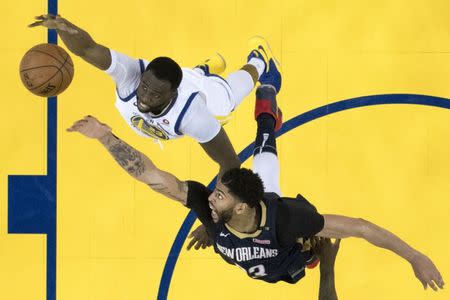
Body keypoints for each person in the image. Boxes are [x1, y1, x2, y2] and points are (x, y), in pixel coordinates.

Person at [67, 85, 444, 293]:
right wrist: (104, 136)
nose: (209, 195)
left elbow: (361, 228)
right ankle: (267, 118)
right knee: (264, 154)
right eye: (215, 191)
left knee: (267, 157)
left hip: (286, 249)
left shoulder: (291, 219)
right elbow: (150, 175)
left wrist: (414, 257)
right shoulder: (211, 207)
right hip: (264, 243)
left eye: (219, 194)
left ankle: (268, 118)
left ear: (244, 207)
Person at [30, 14, 282, 178]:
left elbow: (230, 162)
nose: (145, 96)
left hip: (199, 91)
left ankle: (259, 61)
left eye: (155, 94)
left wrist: (214, 215)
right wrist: (63, 27)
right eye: (145, 86)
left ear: (172, 94)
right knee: (178, 76)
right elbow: (87, 49)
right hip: (176, 80)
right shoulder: (132, 75)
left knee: (227, 100)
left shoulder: (193, 114)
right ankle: (202, 69)